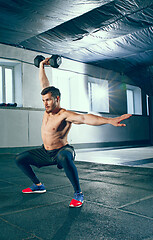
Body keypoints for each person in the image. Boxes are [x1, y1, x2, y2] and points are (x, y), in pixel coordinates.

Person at [15, 57, 132, 207]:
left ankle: (78, 193)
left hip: (62, 151)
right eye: (43, 100)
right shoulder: (47, 109)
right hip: (45, 152)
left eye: (48, 100)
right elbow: (44, 85)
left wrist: (109, 120)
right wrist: (42, 66)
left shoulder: (64, 114)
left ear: (57, 99)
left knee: (64, 156)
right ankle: (38, 185)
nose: (45, 103)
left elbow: (84, 118)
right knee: (19, 159)